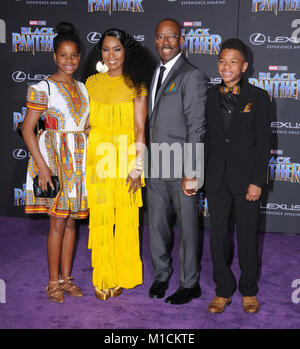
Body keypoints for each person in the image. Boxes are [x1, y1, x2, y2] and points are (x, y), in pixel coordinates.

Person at [83, 29, 155, 300]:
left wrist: (138, 167)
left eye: (117, 49)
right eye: (106, 49)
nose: (111, 55)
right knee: (101, 220)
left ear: (126, 52)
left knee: (125, 219)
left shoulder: (137, 84)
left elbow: (139, 129)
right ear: (100, 52)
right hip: (98, 158)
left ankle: (123, 275)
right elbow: (85, 122)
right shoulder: (91, 83)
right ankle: (104, 277)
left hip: (125, 157)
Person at [22, 23, 90, 303]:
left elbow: (82, 125)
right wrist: (43, 168)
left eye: (74, 55)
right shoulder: (43, 87)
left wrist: (85, 134)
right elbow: (28, 129)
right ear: (54, 57)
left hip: (78, 162)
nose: (69, 60)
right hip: (51, 161)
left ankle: (67, 278)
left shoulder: (84, 88)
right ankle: (53, 282)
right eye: (64, 55)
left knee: (72, 223)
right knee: (57, 224)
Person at [205, 38, 271, 314]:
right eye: (222, 61)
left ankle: (248, 290)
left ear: (244, 66)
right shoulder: (208, 95)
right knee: (218, 237)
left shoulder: (258, 97)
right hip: (216, 179)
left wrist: (257, 181)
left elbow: (264, 142)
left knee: (246, 238)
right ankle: (223, 290)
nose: (226, 66)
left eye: (233, 62)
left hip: (247, 182)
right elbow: (202, 138)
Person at [147, 18, 207, 305]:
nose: (166, 42)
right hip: (156, 165)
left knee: (187, 230)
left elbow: (197, 127)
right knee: (157, 225)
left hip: (182, 167)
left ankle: (190, 283)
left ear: (181, 40)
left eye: (172, 36)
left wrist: (191, 172)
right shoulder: (154, 73)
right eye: (161, 37)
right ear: (155, 40)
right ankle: (161, 276)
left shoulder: (191, 75)